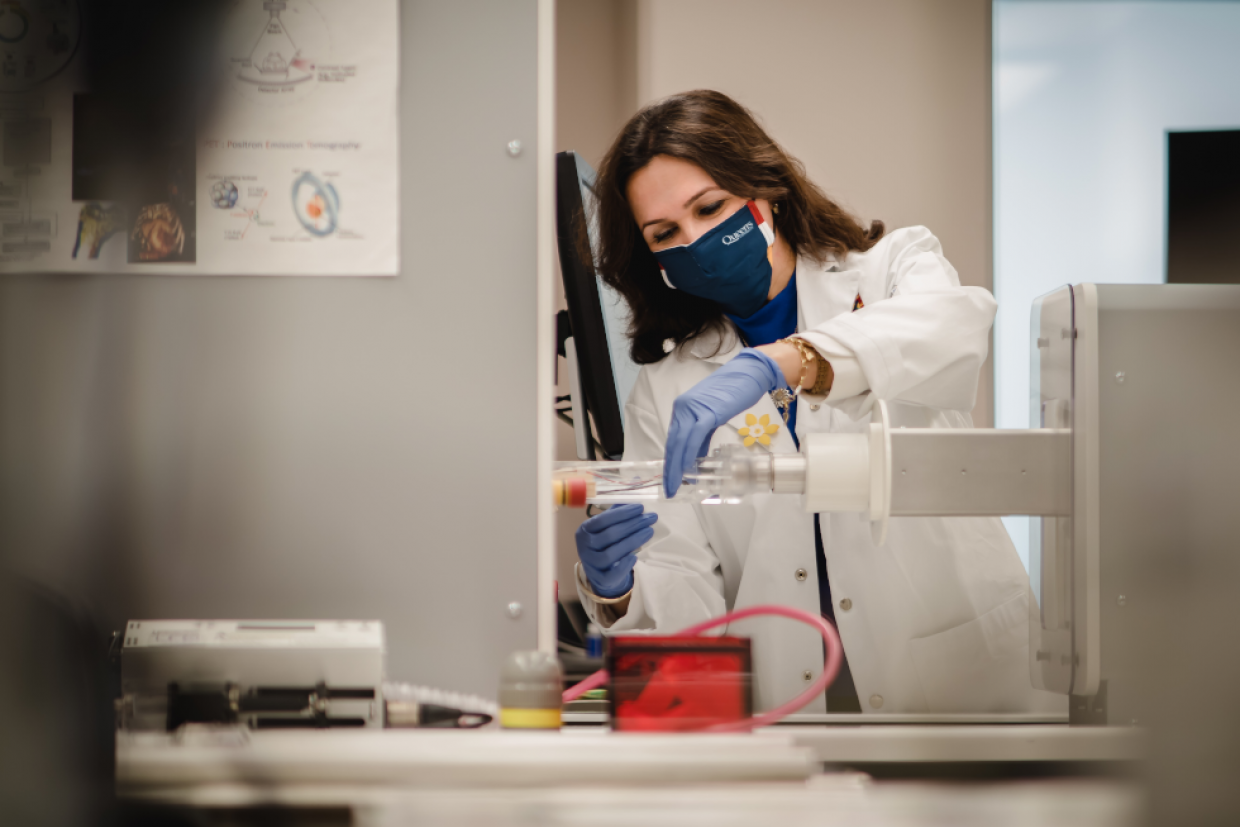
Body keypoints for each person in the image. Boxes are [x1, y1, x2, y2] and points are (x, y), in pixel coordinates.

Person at [573, 90, 1061, 715]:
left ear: (764, 190)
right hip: (795, 698)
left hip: (957, 676)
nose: (694, 239)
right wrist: (619, 590)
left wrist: (786, 359)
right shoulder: (668, 389)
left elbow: (957, 328)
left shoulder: (888, 272)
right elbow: (686, 581)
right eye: (665, 232)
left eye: (710, 207)